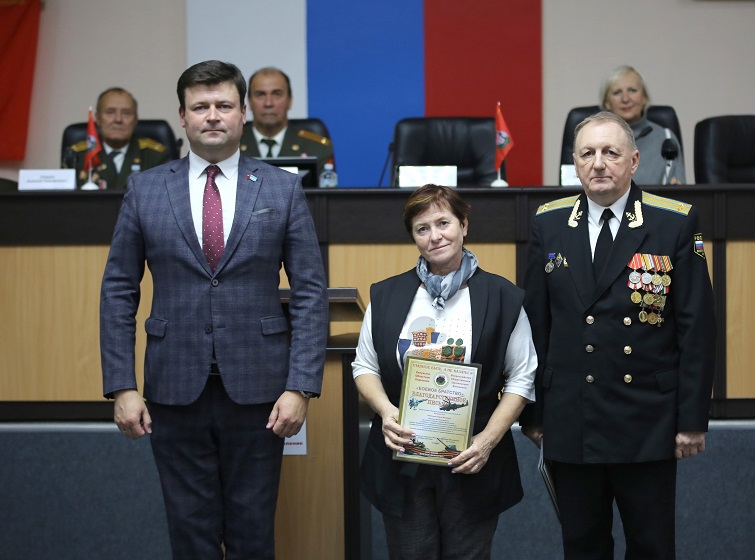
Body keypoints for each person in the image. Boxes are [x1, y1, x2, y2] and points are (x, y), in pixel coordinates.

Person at [100, 60, 328, 560]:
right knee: (190, 535)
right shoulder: (145, 189)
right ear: (181, 116)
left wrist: (301, 386)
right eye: (200, 106)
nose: (212, 116)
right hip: (173, 388)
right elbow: (118, 289)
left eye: (224, 105)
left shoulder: (282, 188)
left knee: (252, 534)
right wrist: (122, 385)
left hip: (261, 391)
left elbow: (310, 291)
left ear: (243, 113)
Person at [521, 111, 715, 559]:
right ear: (574, 163)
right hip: (572, 419)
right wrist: (534, 412)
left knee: (651, 546)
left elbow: (697, 328)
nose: (598, 163)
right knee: (582, 546)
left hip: (647, 419)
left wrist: (691, 420)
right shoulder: (549, 223)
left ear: (634, 160)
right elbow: (535, 324)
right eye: (587, 153)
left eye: (611, 152)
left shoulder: (673, 222)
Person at [352, 184, 537, 560]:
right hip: (403, 456)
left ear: (463, 225)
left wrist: (487, 442)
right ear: (413, 237)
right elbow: (365, 366)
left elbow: (521, 377)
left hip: (472, 457)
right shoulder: (385, 295)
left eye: (443, 223)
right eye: (422, 228)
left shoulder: (503, 297)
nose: (434, 236)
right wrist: (386, 412)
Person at [64, 87, 171, 189]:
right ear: (98, 118)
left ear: (135, 120)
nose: (118, 119)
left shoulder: (155, 156)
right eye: (110, 112)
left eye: (126, 113)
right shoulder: (77, 156)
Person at [600, 65, 686, 185]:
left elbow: (678, 187)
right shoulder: (595, 139)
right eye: (617, 92)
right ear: (607, 103)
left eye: (632, 90)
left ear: (644, 97)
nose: (625, 99)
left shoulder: (666, 138)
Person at [240, 67, 334, 175]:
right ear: (249, 102)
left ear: (290, 100)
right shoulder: (230, 147)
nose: (268, 103)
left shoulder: (317, 149)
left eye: (277, 94)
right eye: (260, 95)